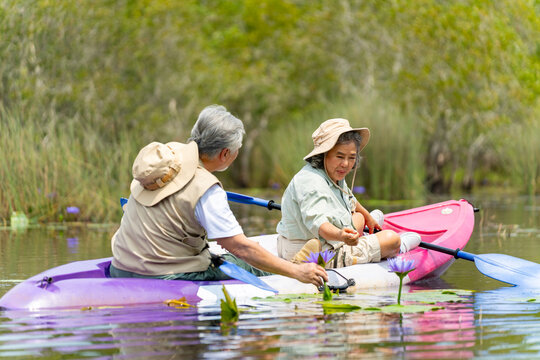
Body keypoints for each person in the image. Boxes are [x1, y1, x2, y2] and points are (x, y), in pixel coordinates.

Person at [110, 105, 327, 287]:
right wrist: (296, 273)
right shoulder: (207, 189)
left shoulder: (167, 158)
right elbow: (240, 247)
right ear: (225, 154)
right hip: (163, 276)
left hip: (120, 266)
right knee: (245, 264)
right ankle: (298, 266)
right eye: (237, 149)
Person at [276, 118, 421, 268]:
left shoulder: (332, 173)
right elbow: (319, 224)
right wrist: (340, 236)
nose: (345, 164)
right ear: (323, 154)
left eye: (351, 158)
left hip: (321, 241)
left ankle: (363, 233)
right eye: (339, 157)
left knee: (360, 216)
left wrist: (368, 217)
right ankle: (399, 247)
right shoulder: (311, 182)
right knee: (392, 239)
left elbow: (349, 199)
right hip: (314, 251)